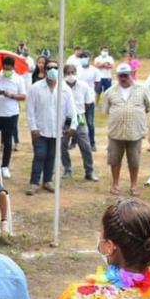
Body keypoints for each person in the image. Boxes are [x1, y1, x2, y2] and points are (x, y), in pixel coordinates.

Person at [26, 62, 77, 195]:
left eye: (56, 68)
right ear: (45, 69)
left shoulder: (65, 89)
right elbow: (30, 110)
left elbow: (71, 109)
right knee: (40, 155)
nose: (52, 70)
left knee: (51, 156)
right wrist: (33, 127)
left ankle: (48, 181)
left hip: (58, 130)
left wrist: (72, 126)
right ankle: (34, 183)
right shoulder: (35, 88)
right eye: (49, 68)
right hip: (40, 130)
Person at [103, 64, 150, 196]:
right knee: (114, 160)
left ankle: (134, 185)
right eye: (120, 76)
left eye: (126, 75)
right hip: (116, 132)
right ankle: (115, 184)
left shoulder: (142, 89)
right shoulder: (110, 91)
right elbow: (106, 110)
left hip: (135, 132)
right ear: (117, 76)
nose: (123, 78)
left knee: (134, 160)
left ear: (131, 75)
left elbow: (148, 107)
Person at [0, 56, 27, 179]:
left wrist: (12, 95)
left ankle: (5, 166)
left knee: (7, 141)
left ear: (13, 67)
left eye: (8, 68)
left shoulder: (18, 79)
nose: (6, 70)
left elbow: (23, 96)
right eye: (4, 67)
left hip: (11, 114)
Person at [61, 65, 98, 182]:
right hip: (64, 120)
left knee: (85, 146)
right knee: (62, 146)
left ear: (76, 72)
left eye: (72, 72)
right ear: (64, 74)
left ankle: (89, 171)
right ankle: (67, 169)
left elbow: (88, 103)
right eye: (68, 72)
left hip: (79, 119)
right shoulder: (60, 86)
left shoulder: (84, 86)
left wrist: (79, 112)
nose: (70, 75)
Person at [76, 51, 101, 150]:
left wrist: (94, 95)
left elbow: (97, 84)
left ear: (90, 58)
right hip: (78, 99)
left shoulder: (95, 71)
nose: (84, 58)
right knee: (76, 122)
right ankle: (74, 141)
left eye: (85, 57)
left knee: (90, 123)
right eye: (82, 57)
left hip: (89, 100)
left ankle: (92, 143)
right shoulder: (77, 70)